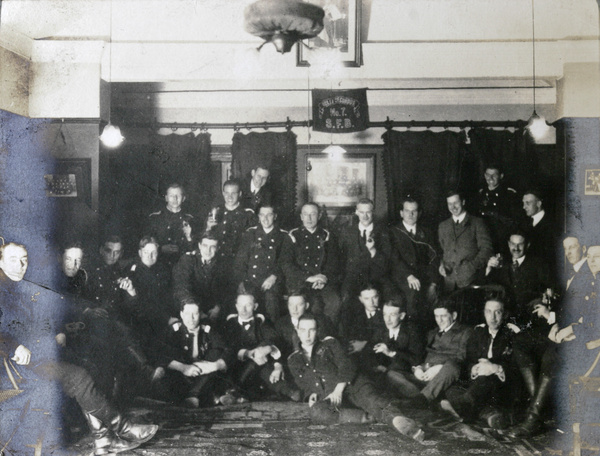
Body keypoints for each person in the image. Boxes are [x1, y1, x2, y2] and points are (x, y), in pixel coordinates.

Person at [0, 241, 159, 455]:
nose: (20, 265)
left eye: (24, 260)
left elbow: (50, 311)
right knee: (78, 377)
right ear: (0, 261)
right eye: (13, 260)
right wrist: (14, 347)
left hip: (34, 356)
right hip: (11, 366)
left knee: (87, 366)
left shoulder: (22, 285)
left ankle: (104, 440)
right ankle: (122, 428)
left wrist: (57, 330)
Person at [288, 313, 425, 442]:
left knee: (372, 400)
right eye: (303, 330)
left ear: (317, 330)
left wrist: (338, 390)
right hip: (330, 397)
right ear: (297, 330)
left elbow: (346, 365)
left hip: (352, 385)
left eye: (311, 330)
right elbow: (302, 383)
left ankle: (401, 422)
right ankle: (368, 417)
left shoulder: (330, 343)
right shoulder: (293, 359)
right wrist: (311, 394)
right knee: (316, 412)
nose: (307, 334)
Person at [440, 298, 518, 429]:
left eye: (497, 312)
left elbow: (517, 367)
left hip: (500, 385)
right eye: (488, 312)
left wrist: (495, 368)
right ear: (484, 313)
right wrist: (475, 368)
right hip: (477, 386)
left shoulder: (512, 334)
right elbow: (469, 361)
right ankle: (487, 413)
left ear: (504, 314)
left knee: (485, 381)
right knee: (452, 388)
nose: (492, 317)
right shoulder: (478, 332)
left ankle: (463, 409)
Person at [384, 301, 472, 406]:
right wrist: (418, 369)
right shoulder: (432, 333)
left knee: (452, 367)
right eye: (436, 316)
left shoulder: (465, 331)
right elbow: (421, 357)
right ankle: (424, 398)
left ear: (454, 315)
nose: (439, 320)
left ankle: (422, 400)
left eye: (443, 316)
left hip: (447, 374)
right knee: (393, 374)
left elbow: (462, 358)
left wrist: (439, 368)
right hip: (426, 375)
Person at [223, 290, 301, 401]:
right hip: (236, 367)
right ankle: (235, 392)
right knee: (257, 361)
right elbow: (229, 348)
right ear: (236, 306)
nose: (243, 310)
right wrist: (249, 353)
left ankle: (291, 392)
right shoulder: (230, 325)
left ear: (255, 306)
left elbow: (273, 339)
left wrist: (267, 349)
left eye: (248, 305)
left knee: (265, 365)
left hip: (260, 365)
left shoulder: (262, 322)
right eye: (240, 305)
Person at [160, 300, 234, 408]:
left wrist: (215, 365)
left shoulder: (207, 329)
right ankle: (210, 396)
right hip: (182, 376)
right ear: (181, 314)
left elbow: (228, 349)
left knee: (216, 353)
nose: (191, 319)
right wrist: (183, 368)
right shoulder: (174, 331)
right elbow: (160, 355)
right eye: (187, 314)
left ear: (200, 314)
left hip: (204, 374)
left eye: (195, 314)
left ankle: (194, 396)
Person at [280, 203, 342, 325]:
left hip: (322, 282)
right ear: (301, 217)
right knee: (314, 305)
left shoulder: (327, 235)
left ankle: (327, 336)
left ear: (319, 216)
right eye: (305, 214)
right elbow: (286, 264)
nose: (309, 218)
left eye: (312, 214)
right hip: (300, 282)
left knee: (335, 302)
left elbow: (333, 263)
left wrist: (324, 278)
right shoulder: (293, 235)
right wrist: (309, 278)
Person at [234, 204, 291, 321]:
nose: (265, 219)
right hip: (250, 280)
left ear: (275, 216)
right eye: (262, 215)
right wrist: (243, 281)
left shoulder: (283, 236)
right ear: (258, 216)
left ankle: (272, 331)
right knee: (245, 299)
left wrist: (274, 276)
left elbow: (285, 261)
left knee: (271, 298)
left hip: (271, 281)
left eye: (269, 215)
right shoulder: (250, 234)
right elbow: (240, 261)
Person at [389, 196, 440, 324]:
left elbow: (434, 258)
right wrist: (408, 275)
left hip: (424, 277)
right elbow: (394, 258)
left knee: (435, 296)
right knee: (413, 295)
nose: (410, 214)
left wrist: (433, 282)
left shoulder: (427, 232)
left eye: (414, 211)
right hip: (402, 277)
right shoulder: (393, 232)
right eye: (407, 211)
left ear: (419, 213)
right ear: (401, 213)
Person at [338, 198, 395, 303]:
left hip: (377, 276)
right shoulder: (346, 231)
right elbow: (341, 258)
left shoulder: (384, 232)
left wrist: (373, 250)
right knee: (346, 297)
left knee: (390, 296)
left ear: (373, 212)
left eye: (368, 212)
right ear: (356, 212)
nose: (365, 216)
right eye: (361, 212)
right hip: (353, 276)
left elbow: (388, 261)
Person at [438, 190, 493, 293]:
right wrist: (442, 265)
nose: (453, 207)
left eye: (456, 203)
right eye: (450, 204)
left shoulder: (477, 223)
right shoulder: (443, 226)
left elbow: (486, 249)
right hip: (449, 281)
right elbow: (442, 250)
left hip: (471, 279)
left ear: (463, 202)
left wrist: (471, 267)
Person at [367, 299, 425, 391]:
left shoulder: (412, 331)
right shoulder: (380, 330)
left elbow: (417, 359)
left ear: (401, 316)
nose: (387, 319)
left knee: (391, 375)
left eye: (392, 315)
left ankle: (421, 398)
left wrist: (391, 353)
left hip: (407, 375)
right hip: (386, 375)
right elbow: (370, 354)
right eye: (385, 314)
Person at [172, 232, 227, 321]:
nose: (208, 251)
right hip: (190, 309)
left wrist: (218, 307)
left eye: (212, 247)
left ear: (217, 248)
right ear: (199, 246)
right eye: (205, 246)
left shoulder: (222, 265)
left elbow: (225, 290)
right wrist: (197, 311)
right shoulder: (188, 260)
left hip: (212, 312)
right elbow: (182, 287)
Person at [274, 292, 336, 361]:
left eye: (299, 305)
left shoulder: (319, 321)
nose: (294, 309)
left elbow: (330, 345)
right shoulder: (280, 324)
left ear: (306, 306)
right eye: (291, 305)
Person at [147, 183, 195, 267]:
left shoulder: (190, 219)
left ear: (183, 198)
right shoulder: (155, 218)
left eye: (178, 196)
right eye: (171, 196)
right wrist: (160, 249)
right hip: (159, 264)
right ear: (166, 198)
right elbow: (145, 243)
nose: (175, 199)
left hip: (182, 266)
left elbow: (194, 247)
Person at [475, 164, 520, 252]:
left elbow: (514, 222)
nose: (490, 178)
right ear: (484, 175)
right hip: (482, 240)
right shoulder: (480, 194)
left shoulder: (509, 194)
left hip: (501, 241)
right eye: (488, 175)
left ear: (501, 176)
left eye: (494, 175)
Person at [340, 283, 387, 360]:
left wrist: (365, 344)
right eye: (366, 298)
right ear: (361, 299)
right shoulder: (354, 316)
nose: (371, 302)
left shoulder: (386, 314)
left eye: (374, 297)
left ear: (379, 296)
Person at [521, 189, 556, 268]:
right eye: (523, 203)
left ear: (539, 203)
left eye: (528, 203)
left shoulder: (552, 225)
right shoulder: (525, 223)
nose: (524, 207)